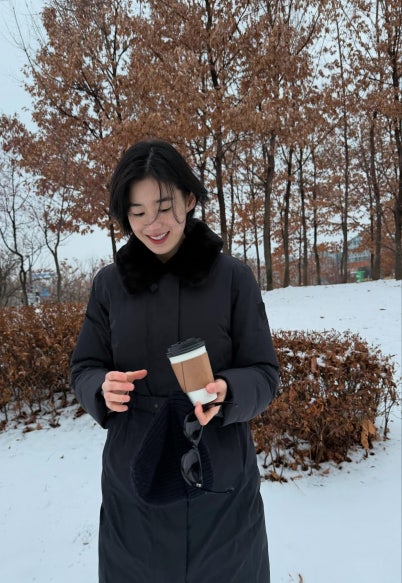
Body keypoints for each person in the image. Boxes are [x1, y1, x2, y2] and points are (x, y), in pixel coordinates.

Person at [70, 139, 279, 583]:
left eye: (164, 207)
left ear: (189, 199)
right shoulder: (109, 286)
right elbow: (85, 367)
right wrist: (100, 388)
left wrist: (229, 392)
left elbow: (264, 373)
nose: (153, 223)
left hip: (221, 483)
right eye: (138, 212)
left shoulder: (233, 279)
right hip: (135, 483)